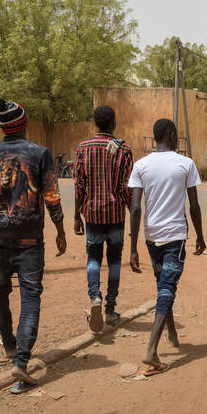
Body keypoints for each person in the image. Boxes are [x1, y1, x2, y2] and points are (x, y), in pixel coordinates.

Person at [0, 98, 67, 394]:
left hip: (0, 239)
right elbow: (51, 196)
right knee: (31, 297)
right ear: (24, 124)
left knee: (0, 291)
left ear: (3, 128)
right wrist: (60, 230)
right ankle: (21, 360)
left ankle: (10, 345)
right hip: (30, 238)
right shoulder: (40, 154)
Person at [128, 119, 206, 376]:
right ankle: (151, 350)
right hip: (175, 237)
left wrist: (133, 248)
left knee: (163, 285)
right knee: (167, 288)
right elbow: (194, 206)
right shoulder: (186, 163)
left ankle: (171, 332)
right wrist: (200, 236)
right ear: (171, 135)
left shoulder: (140, 165)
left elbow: (135, 209)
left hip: (151, 237)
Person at [74, 105, 134, 331]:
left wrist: (76, 216)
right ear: (113, 123)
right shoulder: (124, 149)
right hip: (116, 214)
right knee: (115, 260)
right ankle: (110, 309)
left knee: (93, 258)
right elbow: (127, 187)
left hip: (92, 214)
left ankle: (95, 297)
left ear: (95, 123)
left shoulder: (83, 148)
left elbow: (79, 186)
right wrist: (133, 214)